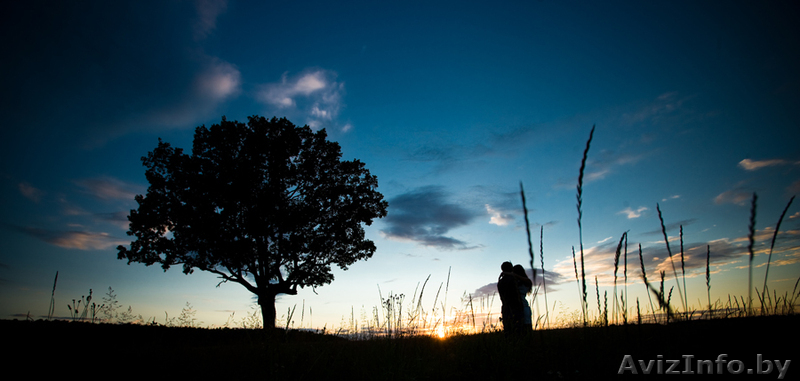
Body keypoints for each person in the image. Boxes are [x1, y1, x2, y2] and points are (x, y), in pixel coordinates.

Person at [497, 261, 522, 336]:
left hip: (505, 308)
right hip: (515, 307)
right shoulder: (514, 279)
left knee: (508, 331)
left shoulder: (500, 282)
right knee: (518, 331)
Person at [513, 264, 533, 333]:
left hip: (523, 307)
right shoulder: (517, 282)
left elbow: (528, 282)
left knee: (525, 327)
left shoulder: (525, 281)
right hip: (521, 307)